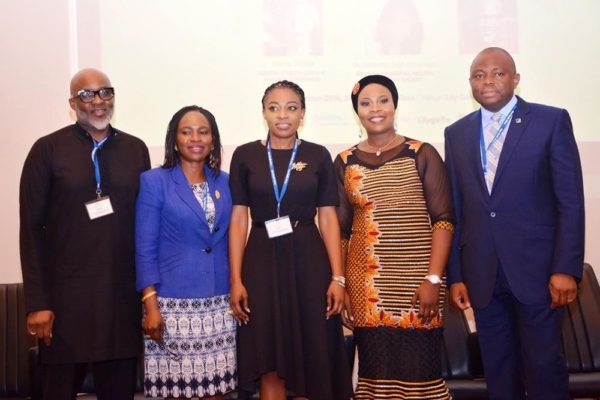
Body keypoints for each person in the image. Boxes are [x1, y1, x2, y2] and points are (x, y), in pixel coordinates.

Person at [444, 47, 585, 399]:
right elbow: (457, 209)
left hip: (538, 272)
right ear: (470, 84)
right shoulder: (456, 133)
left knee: (544, 369)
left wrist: (566, 268)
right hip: (483, 274)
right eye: (478, 75)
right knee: (498, 370)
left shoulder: (550, 121)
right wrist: (457, 274)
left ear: (516, 79)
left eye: (497, 73)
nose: (487, 80)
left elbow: (569, 201)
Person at [19, 68, 150, 399]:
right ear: (73, 103)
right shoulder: (47, 149)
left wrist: (148, 298)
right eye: (87, 94)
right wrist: (38, 302)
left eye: (105, 92)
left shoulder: (135, 150)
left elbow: (146, 228)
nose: (98, 101)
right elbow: (31, 230)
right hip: (65, 307)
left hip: (120, 303)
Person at [228, 80, 353, 400]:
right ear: (264, 114)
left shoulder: (317, 154)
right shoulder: (245, 155)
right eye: (274, 108)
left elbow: (327, 218)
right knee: (267, 356)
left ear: (303, 115)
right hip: (260, 260)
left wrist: (338, 278)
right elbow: (239, 219)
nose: (282, 115)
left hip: (308, 260)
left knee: (311, 356)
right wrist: (235, 279)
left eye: (291, 108)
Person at [335, 74, 454, 399]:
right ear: (357, 111)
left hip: (419, 284)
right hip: (366, 289)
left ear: (395, 105)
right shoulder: (345, 162)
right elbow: (342, 231)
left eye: (383, 100)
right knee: (376, 380)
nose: (375, 108)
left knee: (422, 378)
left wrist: (433, 278)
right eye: (366, 102)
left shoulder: (421, 153)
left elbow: (443, 220)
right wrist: (343, 285)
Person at [135, 106, 235, 399]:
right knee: (177, 392)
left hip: (219, 304)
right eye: (186, 131)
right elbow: (144, 247)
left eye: (203, 132)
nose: (196, 138)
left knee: (217, 389)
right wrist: (150, 305)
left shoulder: (225, 182)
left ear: (213, 140)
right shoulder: (154, 181)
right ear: (174, 139)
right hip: (171, 307)